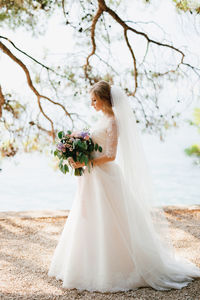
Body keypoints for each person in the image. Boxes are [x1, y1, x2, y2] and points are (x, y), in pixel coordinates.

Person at [48, 81, 200, 293]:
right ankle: (84, 264)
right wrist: (76, 148)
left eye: (94, 100)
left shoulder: (113, 122)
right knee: (88, 217)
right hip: (92, 177)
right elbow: (94, 145)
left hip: (105, 177)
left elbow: (111, 155)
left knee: (108, 219)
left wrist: (86, 162)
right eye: (91, 100)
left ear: (104, 99)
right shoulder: (102, 119)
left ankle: (113, 267)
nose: (92, 104)